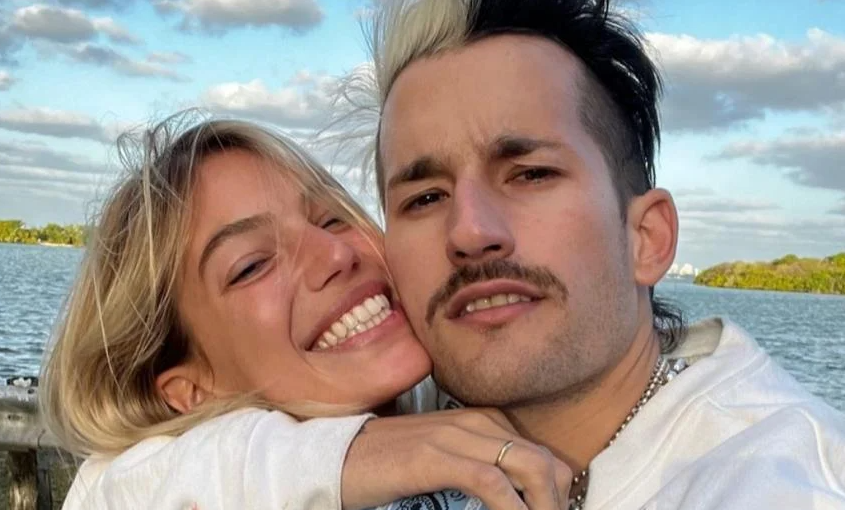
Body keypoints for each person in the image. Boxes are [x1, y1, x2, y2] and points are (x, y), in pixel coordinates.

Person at [353, 0, 845, 508]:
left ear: (646, 238)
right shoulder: (393, 433)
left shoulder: (784, 481)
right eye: (425, 198)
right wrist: (340, 459)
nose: (470, 231)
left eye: (531, 174)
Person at [42, 112, 573, 510]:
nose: (335, 254)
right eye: (252, 266)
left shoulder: (471, 385)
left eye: (332, 218)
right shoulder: (159, 482)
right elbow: (117, 489)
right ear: (192, 390)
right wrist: (344, 457)